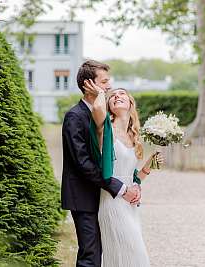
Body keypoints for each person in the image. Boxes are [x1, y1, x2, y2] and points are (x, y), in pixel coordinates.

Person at [61, 60, 141, 267]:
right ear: (90, 85)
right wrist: (120, 188)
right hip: (83, 197)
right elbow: (83, 163)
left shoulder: (104, 115)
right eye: (104, 82)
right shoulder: (74, 116)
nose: (109, 86)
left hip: (104, 197)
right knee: (91, 255)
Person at [83, 80, 165, 267]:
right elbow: (97, 108)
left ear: (130, 103)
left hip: (131, 206)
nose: (117, 96)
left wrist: (148, 167)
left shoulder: (133, 136)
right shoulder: (105, 128)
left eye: (122, 94)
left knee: (131, 255)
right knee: (133, 254)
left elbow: (132, 176)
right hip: (112, 201)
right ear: (109, 105)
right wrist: (101, 93)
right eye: (113, 96)